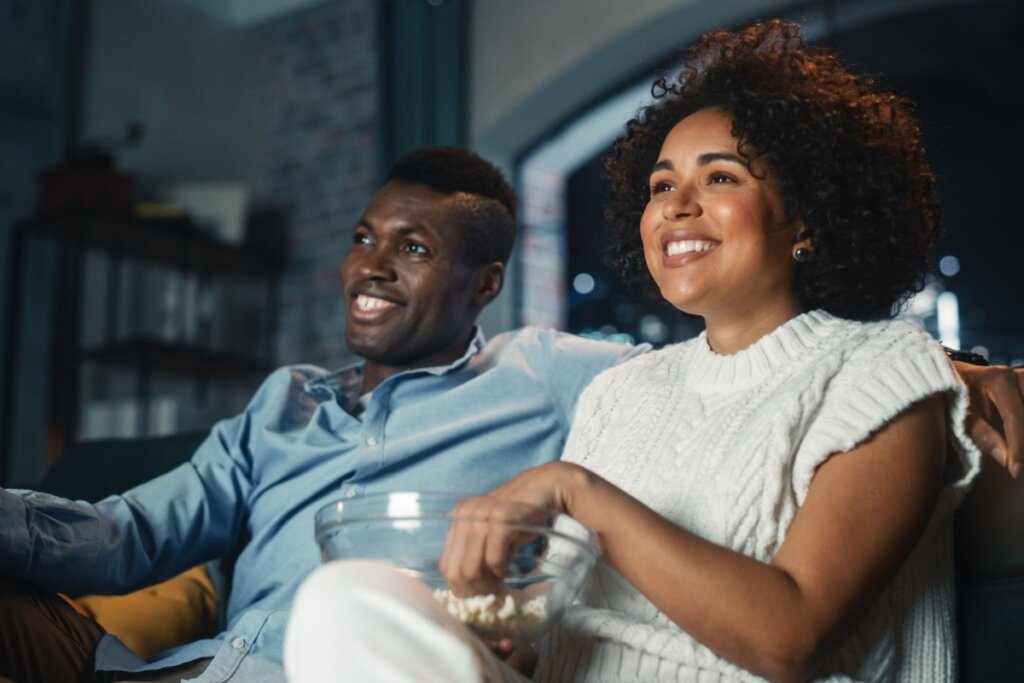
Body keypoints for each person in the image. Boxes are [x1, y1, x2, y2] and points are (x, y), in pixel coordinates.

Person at [0, 144, 1020, 683]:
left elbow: (741, 360)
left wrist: (951, 364)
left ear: (485, 282)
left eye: (410, 247)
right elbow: (125, 537)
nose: (369, 263)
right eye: (364, 237)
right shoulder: (281, 406)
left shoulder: (551, 373)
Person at [284, 22, 1017, 683]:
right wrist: (499, 619)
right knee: (346, 599)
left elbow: (791, 637)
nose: (676, 204)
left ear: (808, 218)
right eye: (662, 183)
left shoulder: (885, 375)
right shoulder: (622, 391)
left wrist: (580, 491)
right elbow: (564, 630)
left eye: (720, 176)